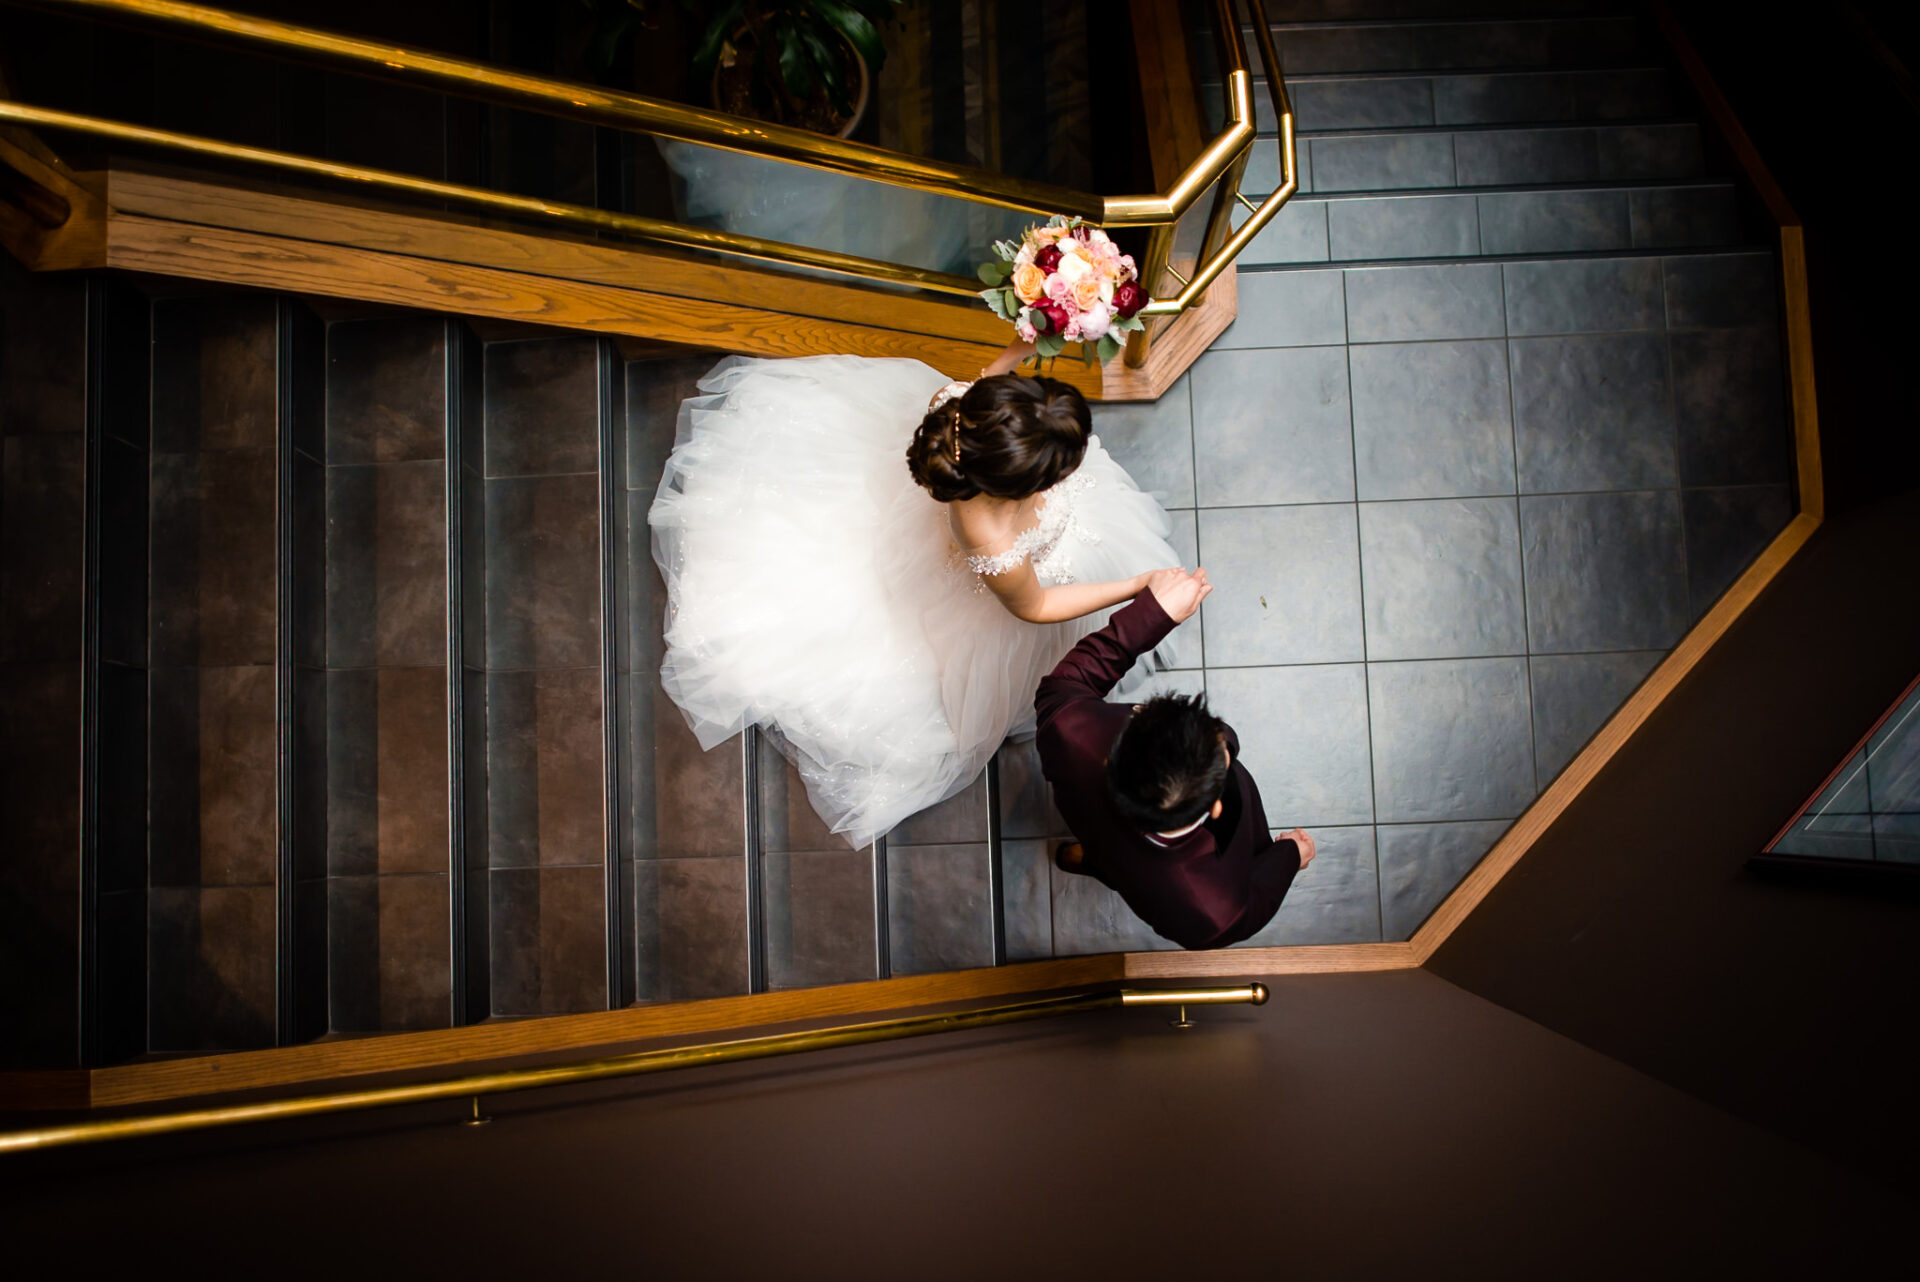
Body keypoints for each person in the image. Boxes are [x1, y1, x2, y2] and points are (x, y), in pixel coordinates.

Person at [649, 339, 1185, 847]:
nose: (1076, 467)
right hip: (1013, 591)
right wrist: (1138, 586)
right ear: (1018, 485)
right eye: (1061, 469)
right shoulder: (992, 540)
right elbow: (1036, 605)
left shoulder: (959, 412)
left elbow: (986, 384)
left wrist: (1026, 343)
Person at [1036, 569, 1317, 950]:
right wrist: (1290, 855)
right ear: (1217, 807)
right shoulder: (1212, 915)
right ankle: (1093, 861)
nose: (1226, 737)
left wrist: (1154, 613)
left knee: (1110, 860)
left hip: (1099, 832)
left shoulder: (1068, 732)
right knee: (1114, 865)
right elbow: (1256, 894)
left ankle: (1091, 859)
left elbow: (1065, 684)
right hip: (1144, 870)